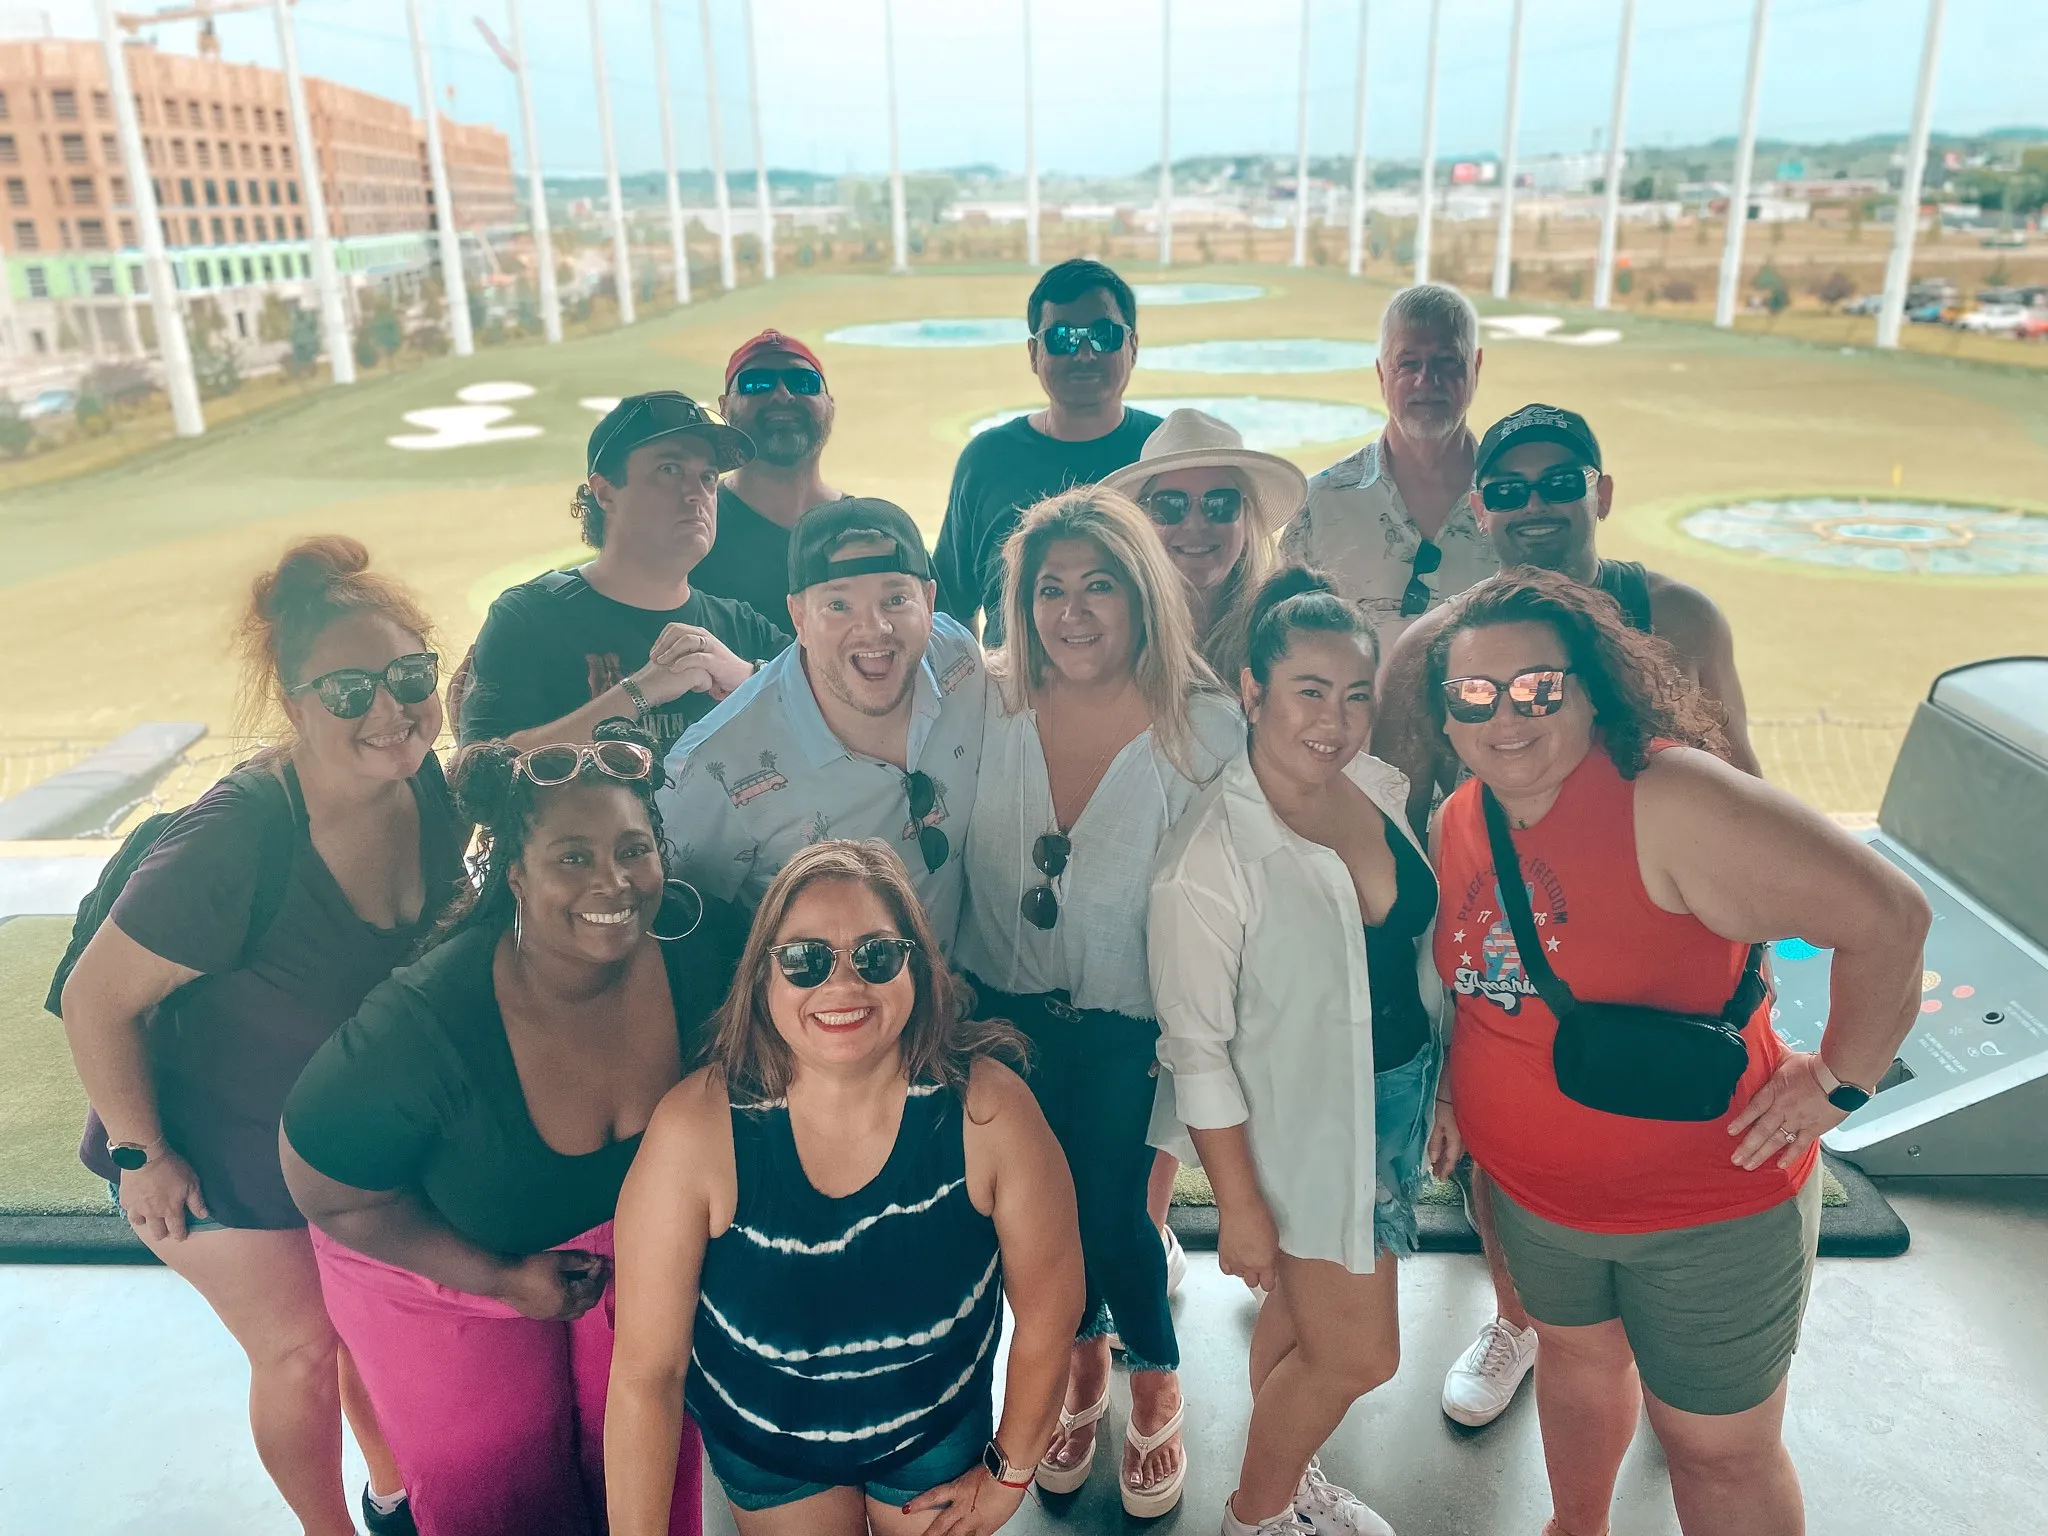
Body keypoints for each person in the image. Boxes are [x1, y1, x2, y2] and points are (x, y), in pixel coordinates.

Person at [1423, 570, 1930, 1536]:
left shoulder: (1669, 794)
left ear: (1592, 687)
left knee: (1717, 1454)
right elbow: (1481, 985)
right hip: (1539, 1205)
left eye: (1538, 687)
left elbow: (1891, 917)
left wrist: (1838, 1081)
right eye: (1473, 694)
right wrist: (1456, 1091)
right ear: (1445, 715)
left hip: (1708, 1213)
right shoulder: (1466, 815)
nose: (1505, 715)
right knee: (1575, 1369)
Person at [57, 536, 464, 1536]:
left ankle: (397, 1497)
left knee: (363, 1327)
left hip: (333, 1144)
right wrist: (145, 1156)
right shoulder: (237, 836)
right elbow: (94, 1000)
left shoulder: (423, 784)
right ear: (293, 704)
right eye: (350, 692)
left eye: (410, 675)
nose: (389, 708)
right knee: (299, 1350)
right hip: (209, 1155)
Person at [1374, 402, 1765, 1429]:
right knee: (1507, 1145)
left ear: (1598, 491)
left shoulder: (1674, 619)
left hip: (1660, 950)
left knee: (1663, 1129)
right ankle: (1518, 1319)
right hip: (1500, 941)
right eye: (1507, 489)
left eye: (1558, 483)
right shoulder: (1435, 644)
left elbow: (1745, 794)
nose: (1533, 505)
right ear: (1477, 508)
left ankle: (1662, 1351)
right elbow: (1382, 809)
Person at [280, 720, 743, 1536]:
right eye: (574, 857)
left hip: (618, 1251)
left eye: (634, 850)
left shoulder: (703, 950)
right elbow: (326, 1189)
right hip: (433, 1261)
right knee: (499, 1488)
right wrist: (495, 1276)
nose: (614, 882)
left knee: (643, 1463)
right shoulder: (425, 1022)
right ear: (516, 875)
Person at [605, 839, 1084, 1536]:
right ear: (762, 980)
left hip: (934, 1437)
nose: (843, 985)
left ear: (917, 967)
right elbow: (647, 1374)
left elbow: (1050, 1310)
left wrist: (1011, 1473)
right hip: (771, 1451)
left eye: (876, 956)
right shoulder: (695, 1130)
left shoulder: (992, 1113)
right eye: (805, 961)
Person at [953, 487, 1241, 1518]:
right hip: (1000, 1011)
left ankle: (1155, 1371)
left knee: (1116, 1211)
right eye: (1048, 590)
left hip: (1134, 1024)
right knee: (1033, 1213)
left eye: (1099, 586)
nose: (1071, 612)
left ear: (1143, 597)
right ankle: (1079, 1369)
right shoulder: (983, 705)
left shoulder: (1203, 727)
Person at [1150, 568, 1444, 1536]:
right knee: (1360, 1354)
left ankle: (1288, 1477)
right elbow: (1195, 1050)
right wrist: (1237, 1206)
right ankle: (1255, 1516)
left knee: (1306, 1320)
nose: (1335, 718)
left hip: (1390, 1099)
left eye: (1354, 693)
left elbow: (1404, 958)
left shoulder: (1371, 784)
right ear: (1250, 693)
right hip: (1302, 1131)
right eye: (1308, 692)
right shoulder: (1209, 857)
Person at [661, 499, 989, 939]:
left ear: (928, 601)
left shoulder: (960, 662)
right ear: (799, 616)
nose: (874, 628)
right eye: (839, 606)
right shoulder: (714, 769)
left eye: (895, 599)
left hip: (963, 992)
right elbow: (675, 928)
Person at [459, 391, 789, 757]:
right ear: (604, 492)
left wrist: (746, 678)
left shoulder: (742, 627)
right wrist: (639, 693)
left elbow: (842, 723)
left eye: (708, 477)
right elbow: (478, 772)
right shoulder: (529, 618)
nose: (697, 493)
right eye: (670, 470)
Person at [933, 258, 1162, 644]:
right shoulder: (986, 461)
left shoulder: (1169, 454)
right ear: (1033, 353)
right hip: (1011, 700)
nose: (1084, 353)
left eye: (1104, 335)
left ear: (1133, 346)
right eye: (1062, 339)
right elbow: (950, 612)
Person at [1282, 282, 1496, 647]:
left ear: (1475, 367)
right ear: (1382, 374)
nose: (1426, 380)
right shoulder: (1318, 507)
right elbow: (1286, 652)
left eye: (1447, 361)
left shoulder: (1515, 504)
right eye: (1408, 363)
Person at [1102, 406, 1307, 690]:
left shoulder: (1286, 633)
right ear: (1141, 520)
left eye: (1220, 503)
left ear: (1248, 520)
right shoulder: (1107, 631)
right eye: (1170, 505)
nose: (1195, 525)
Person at [698, 329, 847, 621]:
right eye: (757, 384)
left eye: (803, 382)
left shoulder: (875, 528)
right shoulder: (692, 529)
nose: (782, 395)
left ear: (829, 404)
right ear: (724, 407)